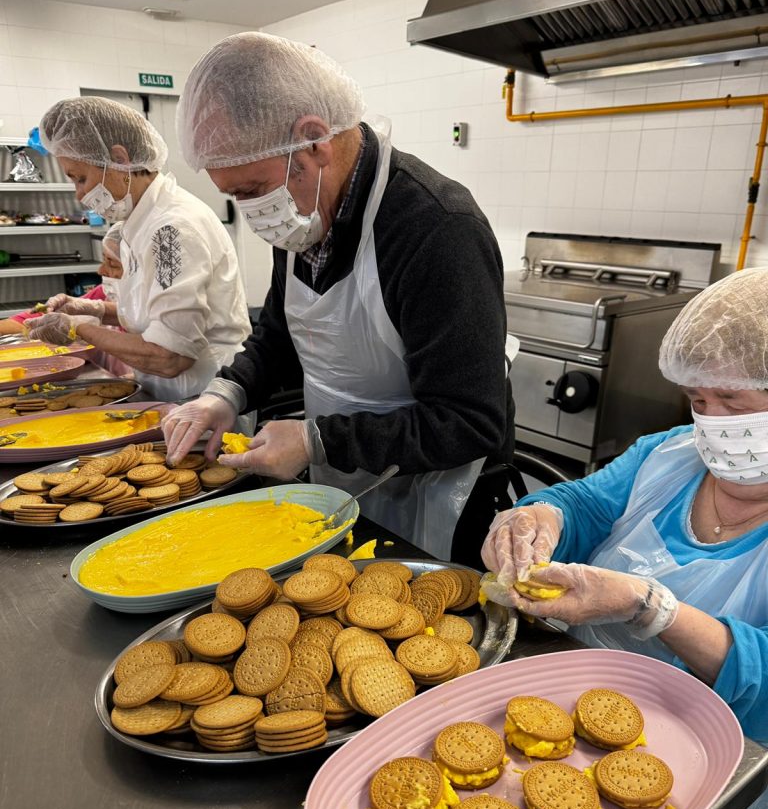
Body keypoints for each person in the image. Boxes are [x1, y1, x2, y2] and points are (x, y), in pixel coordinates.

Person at [482, 267, 768, 809]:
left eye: (733, 403)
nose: (711, 424)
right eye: (698, 400)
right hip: (564, 733)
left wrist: (652, 609)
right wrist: (540, 518)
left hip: (707, 794)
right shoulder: (670, 456)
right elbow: (586, 503)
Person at [161, 32, 514, 561]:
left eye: (252, 191)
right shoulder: (302, 213)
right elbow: (283, 333)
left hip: (438, 499)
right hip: (342, 481)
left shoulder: (436, 229)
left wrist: (317, 441)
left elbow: (469, 421)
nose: (251, 212)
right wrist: (226, 394)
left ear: (313, 141)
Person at [24, 96, 251, 402]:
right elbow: (156, 313)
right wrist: (94, 310)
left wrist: (78, 329)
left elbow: (170, 356)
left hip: (203, 397)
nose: (79, 194)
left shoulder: (171, 231)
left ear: (120, 159)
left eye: (81, 178)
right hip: (175, 395)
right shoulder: (141, 221)